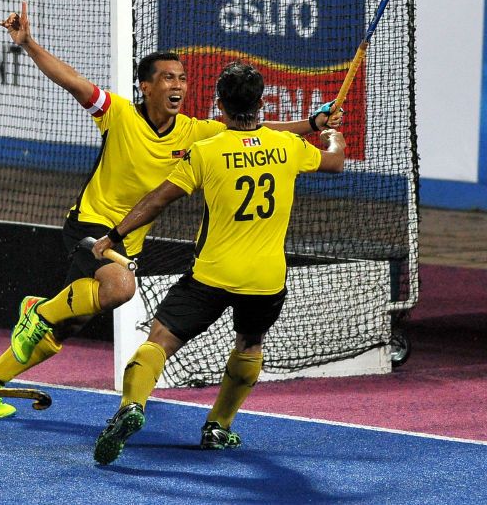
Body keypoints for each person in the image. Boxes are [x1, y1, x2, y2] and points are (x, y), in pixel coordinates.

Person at [0, 1, 342, 418]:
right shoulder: (118, 114)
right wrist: (29, 43)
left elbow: (258, 131)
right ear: (145, 86)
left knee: (69, 326)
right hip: (93, 226)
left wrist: (312, 123)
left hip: (129, 240)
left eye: (181, 78)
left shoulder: (197, 131)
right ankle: (38, 310)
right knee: (120, 289)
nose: (177, 85)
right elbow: (71, 82)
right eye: (166, 78)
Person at [88, 61, 346, 465]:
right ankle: (218, 427)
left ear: (219, 105)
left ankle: (132, 407)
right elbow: (334, 161)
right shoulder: (290, 148)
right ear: (261, 103)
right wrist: (331, 135)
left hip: (211, 275)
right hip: (265, 279)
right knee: (249, 344)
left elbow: (157, 199)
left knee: (159, 340)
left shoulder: (206, 151)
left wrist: (113, 236)